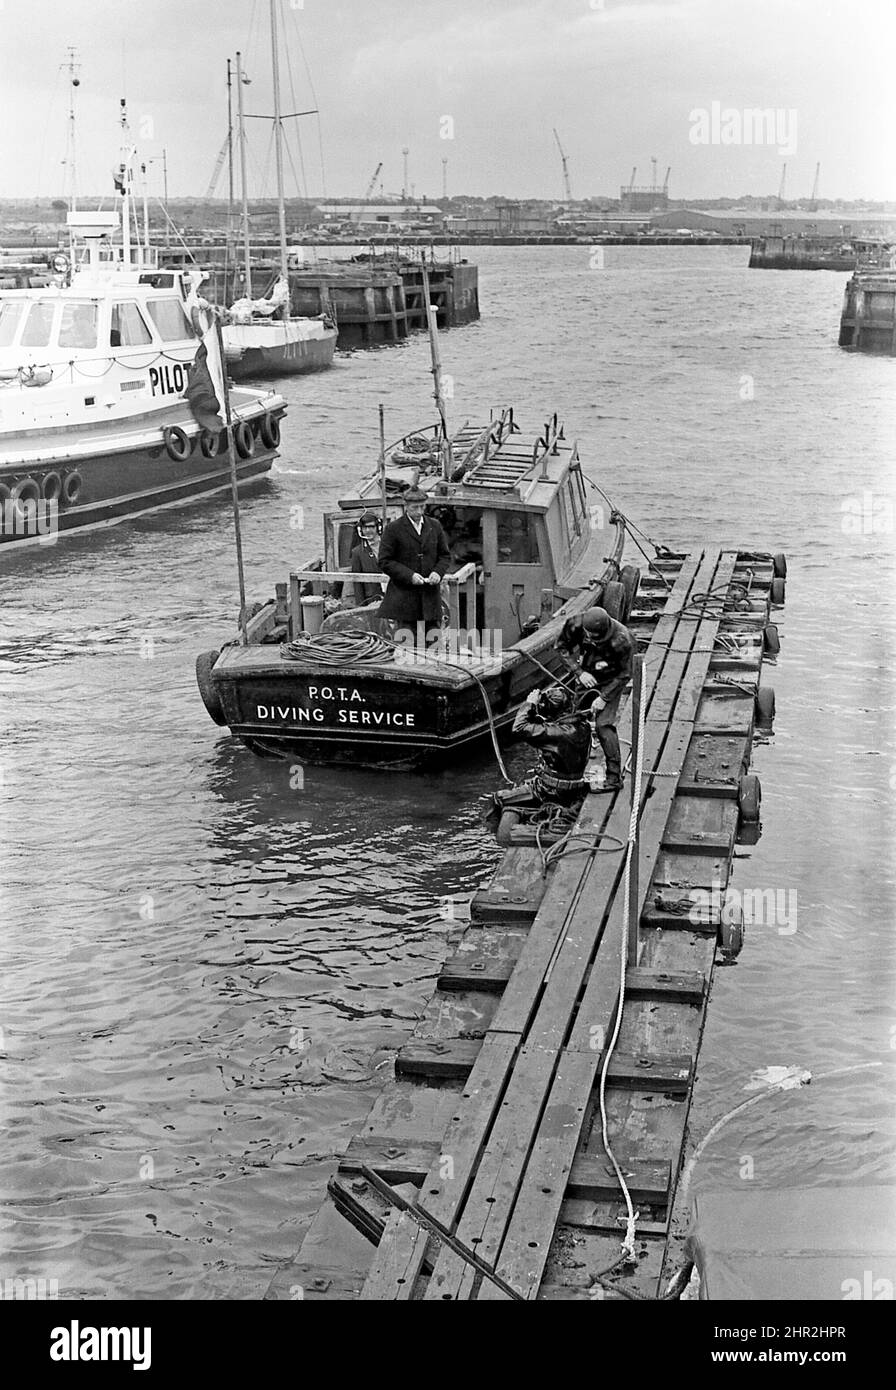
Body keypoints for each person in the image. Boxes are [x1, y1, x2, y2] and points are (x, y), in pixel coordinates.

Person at [557, 605, 636, 792]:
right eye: (589, 636)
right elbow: (561, 647)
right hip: (587, 674)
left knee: (604, 725)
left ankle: (614, 778)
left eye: (596, 637)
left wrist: (604, 698)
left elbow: (626, 674)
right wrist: (578, 672)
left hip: (612, 680)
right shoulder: (575, 624)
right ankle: (573, 772)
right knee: (574, 722)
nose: (591, 639)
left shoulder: (623, 640)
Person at [492, 684, 592, 814]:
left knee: (498, 798)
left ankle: (495, 830)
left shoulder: (553, 733)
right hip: (576, 787)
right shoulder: (584, 726)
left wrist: (529, 704)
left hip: (551, 790)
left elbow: (519, 728)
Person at [377, 487, 450, 637]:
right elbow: (384, 561)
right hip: (404, 601)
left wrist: (437, 572)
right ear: (406, 506)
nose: (419, 511)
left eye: (422, 507)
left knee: (434, 645)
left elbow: (445, 556)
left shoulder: (435, 526)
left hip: (431, 600)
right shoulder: (393, 529)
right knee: (408, 648)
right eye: (415, 507)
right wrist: (410, 576)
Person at [343, 511, 386, 608]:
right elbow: (357, 583)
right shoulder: (357, 552)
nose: (368, 530)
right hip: (372, 600)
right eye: (365, 527)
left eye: (371, 527)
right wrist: (361, 607)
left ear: (378, 528)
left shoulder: (388, 545)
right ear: (360, 530)